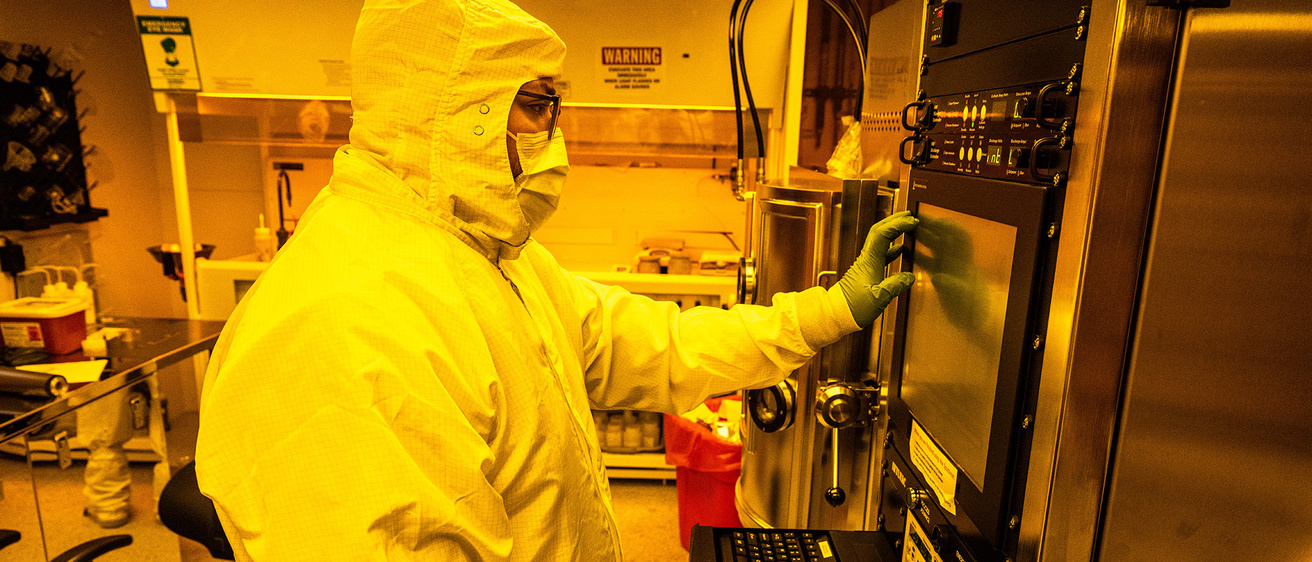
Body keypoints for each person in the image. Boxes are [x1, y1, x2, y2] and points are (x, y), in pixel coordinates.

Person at [193, 0, 917, 559]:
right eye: (537, 106)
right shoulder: (348, 323)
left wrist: (825, 314)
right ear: (453, 116)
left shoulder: (484, 256)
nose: (556, 139)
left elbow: (649, 344)